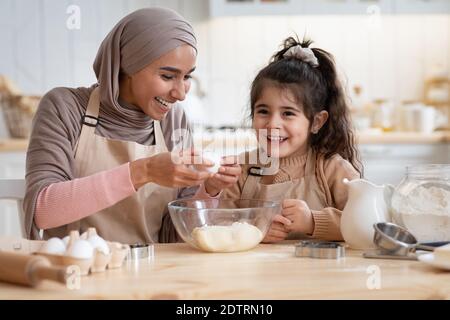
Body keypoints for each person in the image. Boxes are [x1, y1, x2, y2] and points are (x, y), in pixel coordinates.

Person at [23, 7, 240, 242]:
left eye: (186, 77)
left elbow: (174, 236)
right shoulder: (65, 107)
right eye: (168, 76)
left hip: (153, 272)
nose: (180, 94)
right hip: (77, 271)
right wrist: (144, 171)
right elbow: (43, 212)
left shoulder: (173, 121)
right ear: (127, 66)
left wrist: (208, 190)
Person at [205, 36, 362, 242]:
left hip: (319, 273)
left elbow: (365, 224)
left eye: (288, 113)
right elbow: (218, 226)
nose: (272, 124)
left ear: (316, 122)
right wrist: (254, 230)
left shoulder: (333, 169)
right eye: (263, 111)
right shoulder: (241, 169)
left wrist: (313, 222)